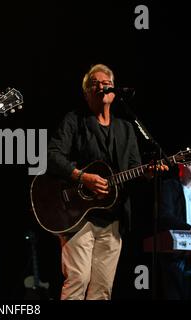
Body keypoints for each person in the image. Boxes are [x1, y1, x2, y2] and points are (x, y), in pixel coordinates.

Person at [46, 64, 165, 300]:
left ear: (114, 89)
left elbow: (133, 169)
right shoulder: (75, 120)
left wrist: (147, 173)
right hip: (78, 215)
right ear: (87, 93)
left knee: (102, 289)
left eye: (106, 83)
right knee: (78, 279)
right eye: (95, 84)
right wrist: (82, 177)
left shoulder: (127, 128)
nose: (102, 86)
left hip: (112, 218)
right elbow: (51, 155)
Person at [158, 160, 191, 299]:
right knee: (174, 294)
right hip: (174, 252)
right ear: (181, 165)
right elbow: (165, 215)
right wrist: (189, 229)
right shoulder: (169, 186)